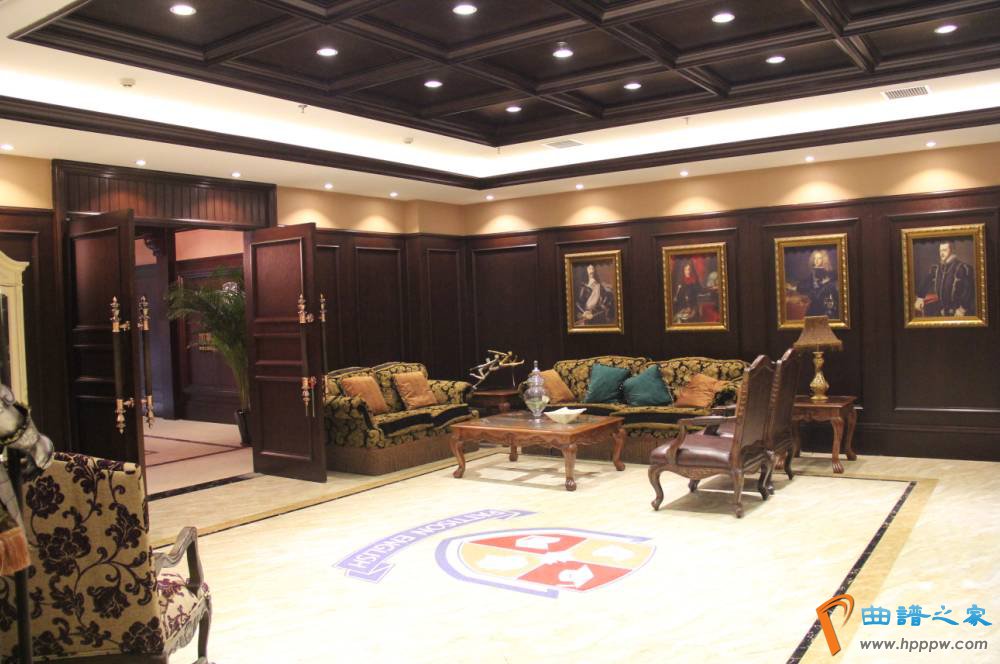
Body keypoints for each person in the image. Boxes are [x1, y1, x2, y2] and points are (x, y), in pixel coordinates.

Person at [914, 240, 974, 317]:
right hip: (941, 311)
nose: (941, 253)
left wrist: (962, 309)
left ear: (952, 251)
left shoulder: (963, 268)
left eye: (944, 250)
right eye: (940, 251)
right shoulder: (936, 268)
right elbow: (927, 282)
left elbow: (969, 291)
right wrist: (920, 297)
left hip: (959, 312)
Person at [791, 249, 839, 319]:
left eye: (819, 258)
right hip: (815, 302)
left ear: (823, 260)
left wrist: (826, 281)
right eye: (815, 258)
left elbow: (834, 278)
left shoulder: (829, 273)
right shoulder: (813, 273)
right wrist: (796, 287)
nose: (816, 260)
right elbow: (806, 283)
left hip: (825, 302)